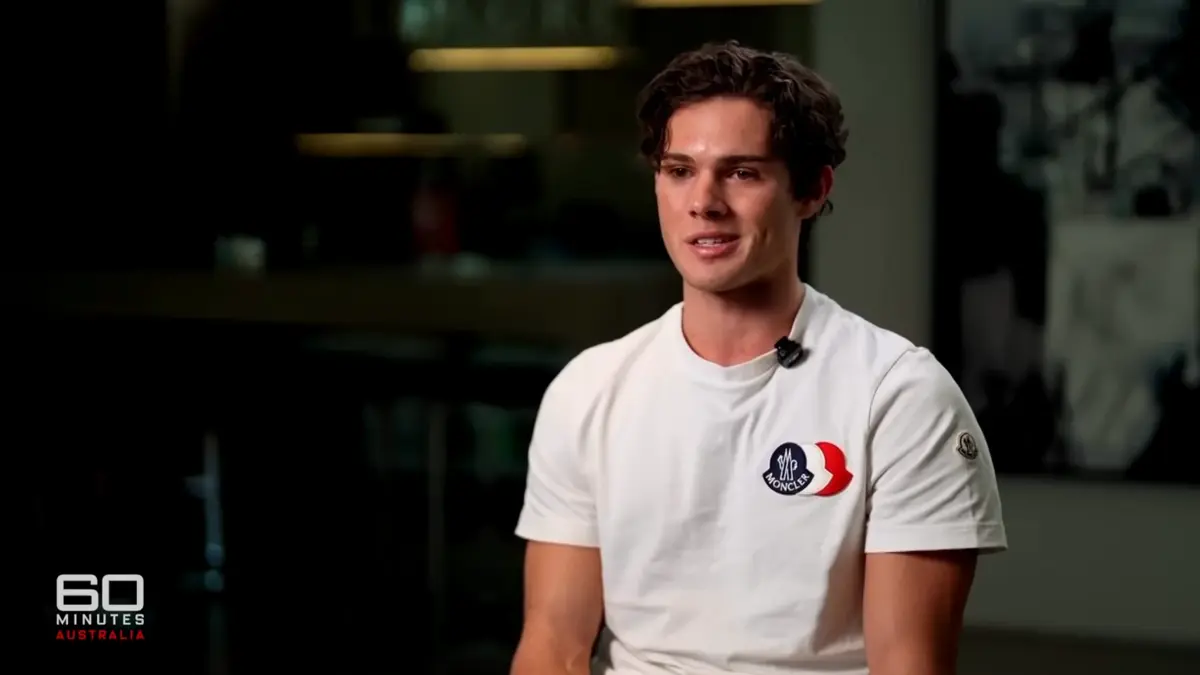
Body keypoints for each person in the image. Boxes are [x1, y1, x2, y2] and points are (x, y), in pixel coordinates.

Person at [510, 41, 1007, 675]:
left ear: (811, 190)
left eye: (742, 172)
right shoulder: (590, 390)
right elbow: (552, 647)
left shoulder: (900, 397)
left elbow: (908, 666)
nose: (704, 202)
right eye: (679, 169)